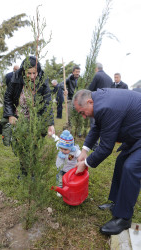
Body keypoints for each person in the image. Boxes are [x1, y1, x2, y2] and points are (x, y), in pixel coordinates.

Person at [73, 88, 141, 235]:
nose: (84, 117)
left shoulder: (106, 106)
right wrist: (84, 151)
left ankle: (124, 218)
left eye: (82, 112)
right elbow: (97, 127)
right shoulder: (99, 101)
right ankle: (117, 203)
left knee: (130, 167)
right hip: (136, 133)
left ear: (90, 102)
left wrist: (85, 164)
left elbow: (105, 147)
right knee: (121, 161)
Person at [3, 55, 55, 136]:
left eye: (34, 73)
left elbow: (47, 101)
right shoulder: (16, 77)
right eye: (29, 73)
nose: (32, 77)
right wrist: (10, 115)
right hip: (18, 120)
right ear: (23, 71)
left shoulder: (43, 80)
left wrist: (50, 123)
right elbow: (8, 97)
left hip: (36, 122)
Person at [89, 63, 112, 150]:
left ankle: (94, 145)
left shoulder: (96, 76)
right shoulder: (109, 78)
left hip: (96, 104)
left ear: (95, 68)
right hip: (108, 105)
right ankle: (103, 144)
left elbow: (90, 90)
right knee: (104, 125)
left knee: (94, 124)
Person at [52, 130, 81, 197]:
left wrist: (81, 161)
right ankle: (60, 189)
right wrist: (53, 135)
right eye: (61, 149)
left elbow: (81, 156)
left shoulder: (75, 151)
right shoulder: (60, 146)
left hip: (70, 170)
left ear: (71, 148)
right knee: (60, 179)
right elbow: (56, 140)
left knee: (69, 180)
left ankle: (69, 188)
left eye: (65, 150)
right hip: (61, 168)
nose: (63, 151)